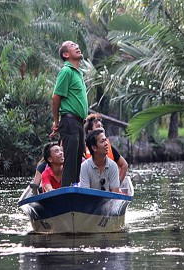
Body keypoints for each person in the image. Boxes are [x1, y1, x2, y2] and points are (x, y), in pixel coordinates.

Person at [49, 40, 88, 186]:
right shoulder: (66, 71)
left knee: (78, 161)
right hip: (69, 121)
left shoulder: (78, 73)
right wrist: (56, 121)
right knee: (71, 162)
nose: (77, 46)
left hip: (78, 122)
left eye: (77, 45)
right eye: (72, 46)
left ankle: (75, 190)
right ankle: (67, 192)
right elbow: (56, 97)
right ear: (66, 54)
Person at [84, 113, 128, 182]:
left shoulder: (107, 147)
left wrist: (117, 184)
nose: (101, 129)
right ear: (90, 132)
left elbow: (124, 165)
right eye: (98, 126)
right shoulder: (82, 149)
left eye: (102, 126)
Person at [79, 129, 121, 193]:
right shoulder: (85, 167)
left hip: (109, 201)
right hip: (90, 201)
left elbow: (115, 193)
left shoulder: (113, 166)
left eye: (105, 140)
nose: (106, 144)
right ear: (94, 148)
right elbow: (85, 193)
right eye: (102, 141)